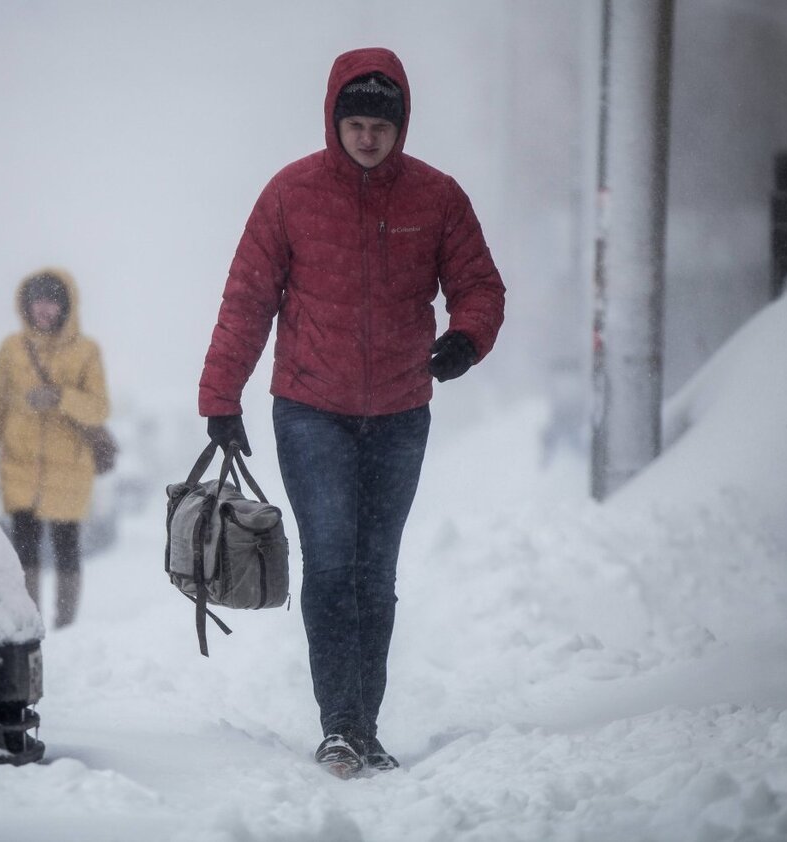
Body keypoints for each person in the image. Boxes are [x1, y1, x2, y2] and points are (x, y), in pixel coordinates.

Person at [198, 47, 506, 775]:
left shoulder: (438, 199)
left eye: (381, 125)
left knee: (376, 571)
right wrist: (221, 397)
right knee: (333, 564)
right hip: (310, 410)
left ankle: (364, 727)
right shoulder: (290, 195)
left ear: (402, 128)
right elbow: (246, 301)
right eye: (356, 123)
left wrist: (466, 338)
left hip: (401, 412)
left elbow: (479, 284)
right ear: (335, 121)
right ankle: (339, 724)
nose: (368, 137)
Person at [0, 267, 110, 629]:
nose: (43, 310)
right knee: (24, 550)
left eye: (51, 302)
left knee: (66, 548)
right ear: (26, 305)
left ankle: (66, 625)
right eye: (37, 301)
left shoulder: (86, 351)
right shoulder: (11, 349)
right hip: (20, 466)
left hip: (69, 469)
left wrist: (61, 396)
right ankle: (29, 621)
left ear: (66, 306)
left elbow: (99, 408)